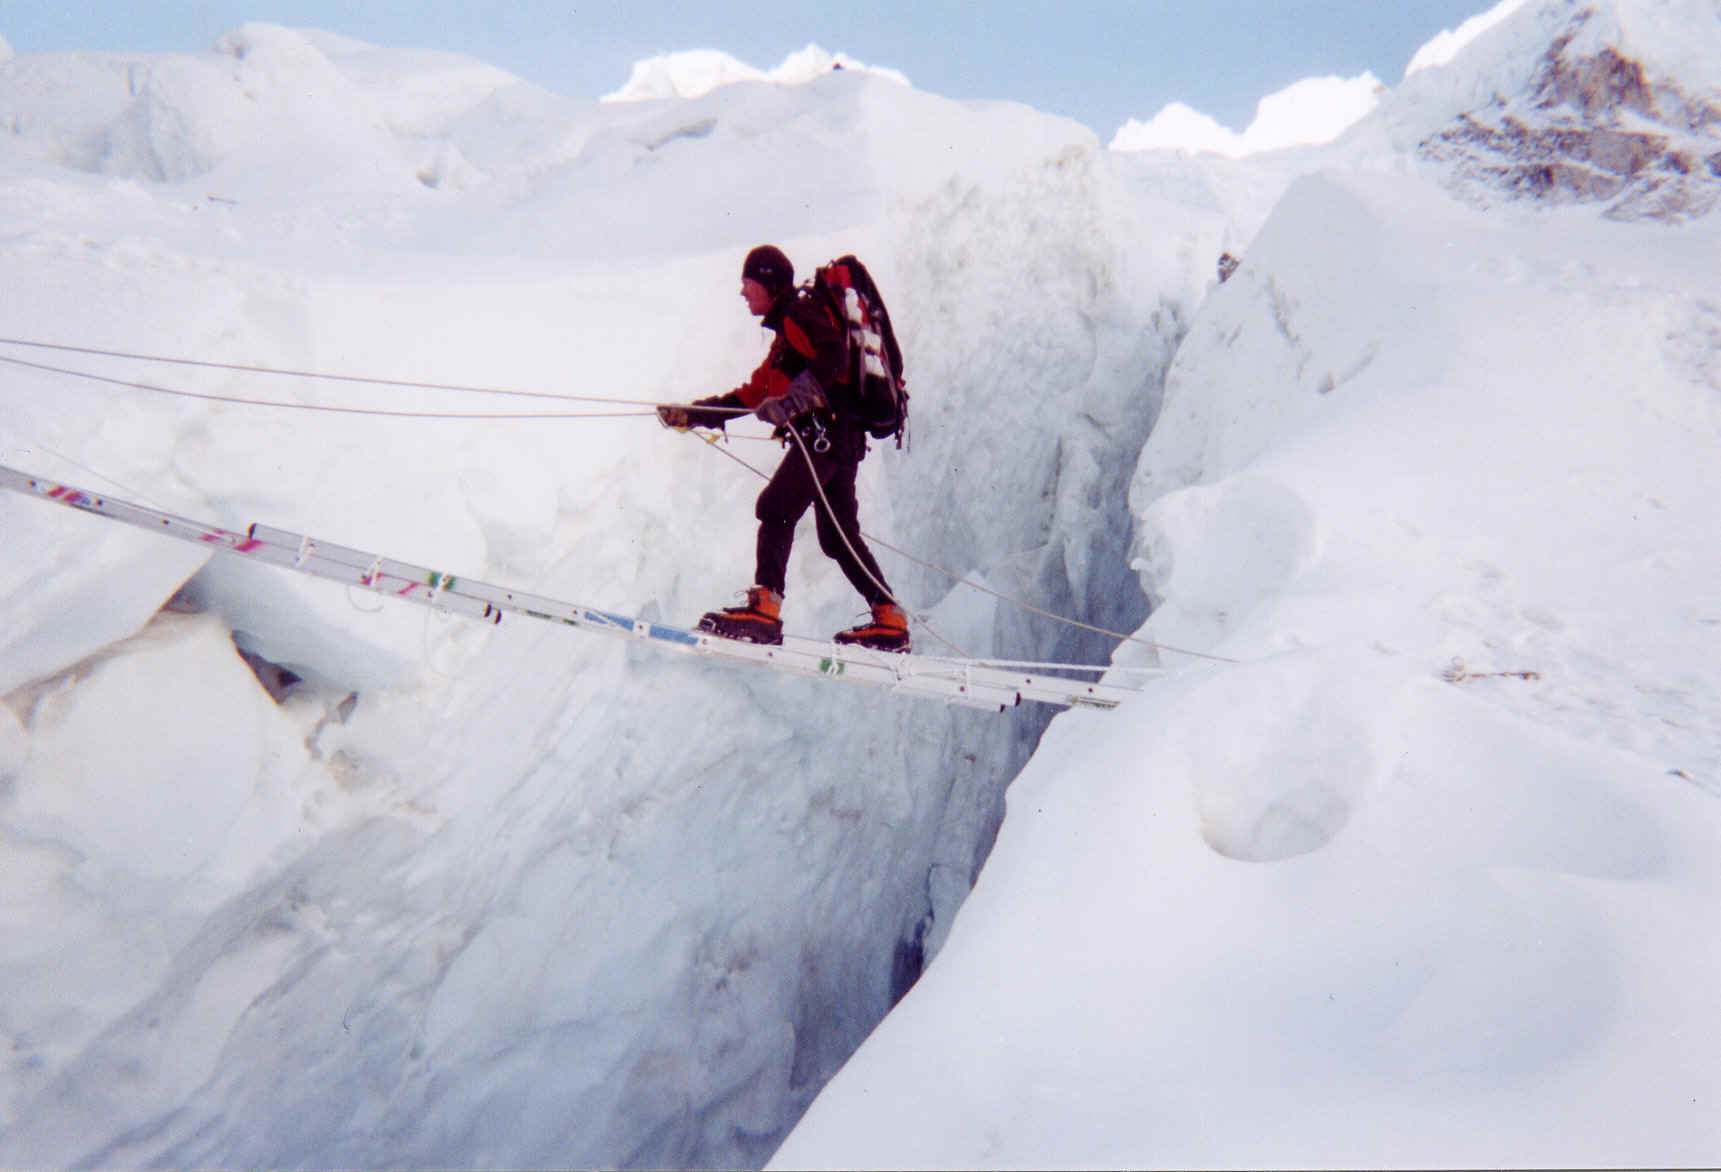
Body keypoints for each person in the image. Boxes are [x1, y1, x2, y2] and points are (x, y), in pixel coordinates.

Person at [657, 244, 910, 652]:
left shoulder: (798, 315)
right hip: (841, 439)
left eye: (748, 284)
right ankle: (889, 618)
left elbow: (834, 358)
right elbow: (749, 395)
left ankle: (765, 609)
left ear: (769, 284)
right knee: (837, 536)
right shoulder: (784, 341)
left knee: (776, 507)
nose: (743, 293)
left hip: (825, 435)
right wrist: (692, 414)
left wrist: (794, 401)